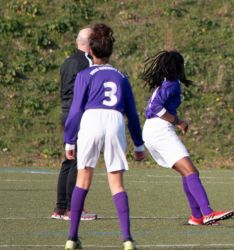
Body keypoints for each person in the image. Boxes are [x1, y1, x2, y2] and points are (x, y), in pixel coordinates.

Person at [63, 23, 144, 250]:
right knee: (116, 183)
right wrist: (138, 144)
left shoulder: (84, 74)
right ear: (110, 51)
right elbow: (132, 113)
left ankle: (72, 238)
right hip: (114, 121)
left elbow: (76, 109)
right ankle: (127, 239)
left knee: (83, 179)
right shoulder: (121, 76)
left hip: (91, 120)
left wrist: (69, 139)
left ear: (90, 51)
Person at [141, 50, 234, 226]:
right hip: (160, 129)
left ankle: (197, 217)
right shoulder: (172, 83)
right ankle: (207, 213)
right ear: (177, 66)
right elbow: (156, 107)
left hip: (152, 130)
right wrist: (178, 122)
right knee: (191, 171)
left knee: (188, 172)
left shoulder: (165, 82)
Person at [51, 27, 97, 221]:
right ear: (89, 43)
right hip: (78, 114)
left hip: (66, 113)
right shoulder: (86, 62)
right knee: (78, 161)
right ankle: (72, 209)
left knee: (68, 161)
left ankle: (60, 209)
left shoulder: (67, 61)